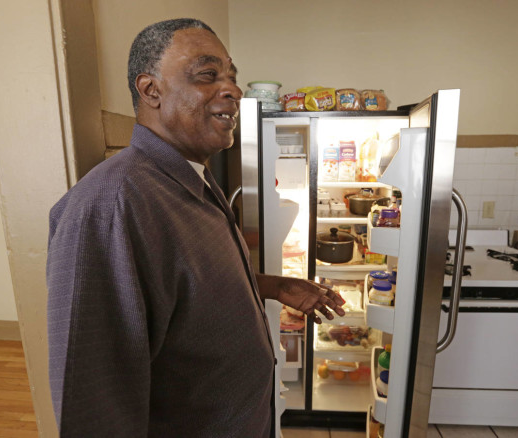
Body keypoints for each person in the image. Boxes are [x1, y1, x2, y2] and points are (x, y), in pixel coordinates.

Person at [46, 18, 345, 438]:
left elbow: (187, 287)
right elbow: (93, 405)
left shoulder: (192, 178)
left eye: (231, 76)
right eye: (208, 75)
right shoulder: (110, 208)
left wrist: (274, 286)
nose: (233, 90)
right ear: (150, 90)